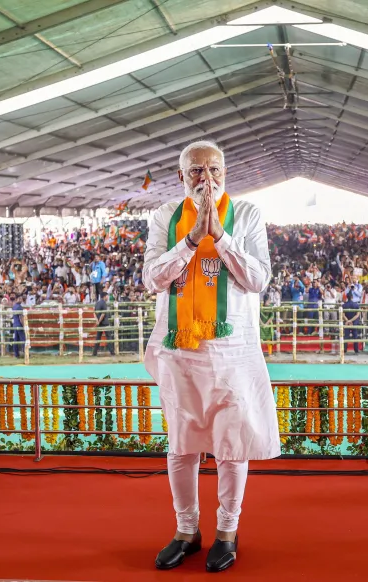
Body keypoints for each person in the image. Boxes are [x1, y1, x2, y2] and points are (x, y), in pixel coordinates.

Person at [142, 141, 279, 573]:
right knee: (181, 447)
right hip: (180, 351)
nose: (207, 178)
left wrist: (219, 237)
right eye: (197, 170)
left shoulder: (248, 215)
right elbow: (152, 278)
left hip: (232, 352)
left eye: (214, 169)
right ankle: (186, 531)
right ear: (181, 176)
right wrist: (190, 240)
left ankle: (226, 532)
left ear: (226, 172)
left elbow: (258, 279)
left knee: (231, 447)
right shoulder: (165, 216)